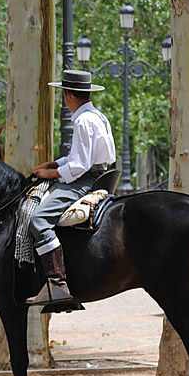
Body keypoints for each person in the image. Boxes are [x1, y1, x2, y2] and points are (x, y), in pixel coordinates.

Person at [27, 70, 116, 312]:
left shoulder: (81, 120)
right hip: (99, 173)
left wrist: (51, 174)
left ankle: (57, 282)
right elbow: (79, 158)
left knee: (38, 219)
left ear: (67, 95)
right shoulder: (96, 115)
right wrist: (56, 163)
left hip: (85, 179)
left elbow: (79, 166)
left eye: (62, 94)